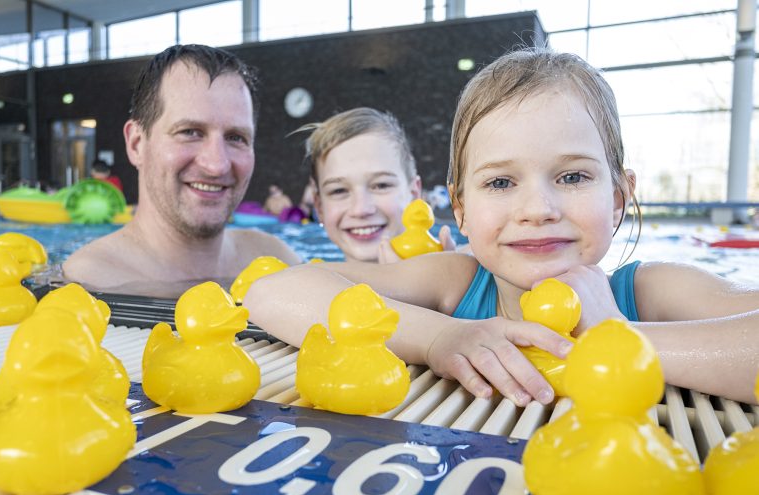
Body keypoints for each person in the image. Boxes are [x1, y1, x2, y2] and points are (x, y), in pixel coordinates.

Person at [246, 49, 759, 406]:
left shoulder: (649, 293)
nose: (537, 208)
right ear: (461, 208)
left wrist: (618, 337)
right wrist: (441, 338)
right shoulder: (456, 284)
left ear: (620, 196)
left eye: (573, 176)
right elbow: (272, 292)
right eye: (500, 183)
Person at [63, 45, 300, 294]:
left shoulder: (278, 261)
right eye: (190, 132)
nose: (217, 165)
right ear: (136, 145)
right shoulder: (89, 281)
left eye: (236, 137)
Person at [297, 107, 455, 263]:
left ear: (414, 193)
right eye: (339, 191)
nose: (361, 210)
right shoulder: (301, 281)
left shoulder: (462, 275)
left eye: (381, 185)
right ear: (319, 207)